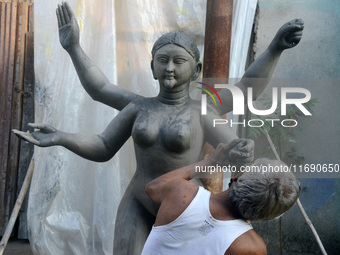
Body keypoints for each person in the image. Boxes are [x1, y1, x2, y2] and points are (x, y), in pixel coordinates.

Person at [13, 2, 304, 254]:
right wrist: (62, 134)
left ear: (196, 70)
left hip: (185, 203)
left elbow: (244, 91)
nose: (170, 68)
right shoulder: (139, 106)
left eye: (179, 61)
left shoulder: (203, 110)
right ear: (152, 66)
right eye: (162, 60)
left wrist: (275, 48)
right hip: (138, 199)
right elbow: (103, 133)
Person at [142, 141, 300, 255]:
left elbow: (153, 187)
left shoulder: (182, 193)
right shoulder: (251, 247)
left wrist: (210, 161)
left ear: (237, 178)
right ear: (267, 218)